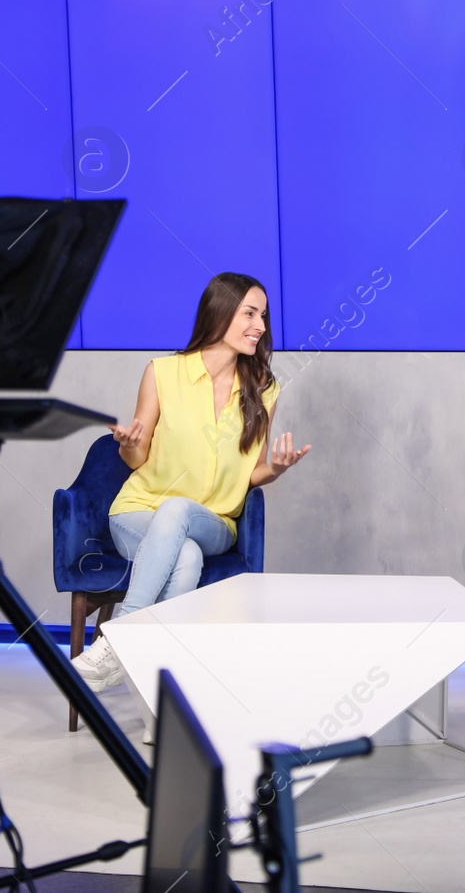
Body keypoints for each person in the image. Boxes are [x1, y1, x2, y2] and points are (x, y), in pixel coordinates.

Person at [72, 272, 311, 692]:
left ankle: (119, 637)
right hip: (137, 514)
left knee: (179, 511)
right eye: (250, 314)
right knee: (184, 560)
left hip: (213, 522)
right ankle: (159, 708)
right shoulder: (162, 373)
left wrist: (278, 467)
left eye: (264, 317)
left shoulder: (264, 389)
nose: (261, 326)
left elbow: (252, 472)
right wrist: (129, 444)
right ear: (219, 313)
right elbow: (137, 457)